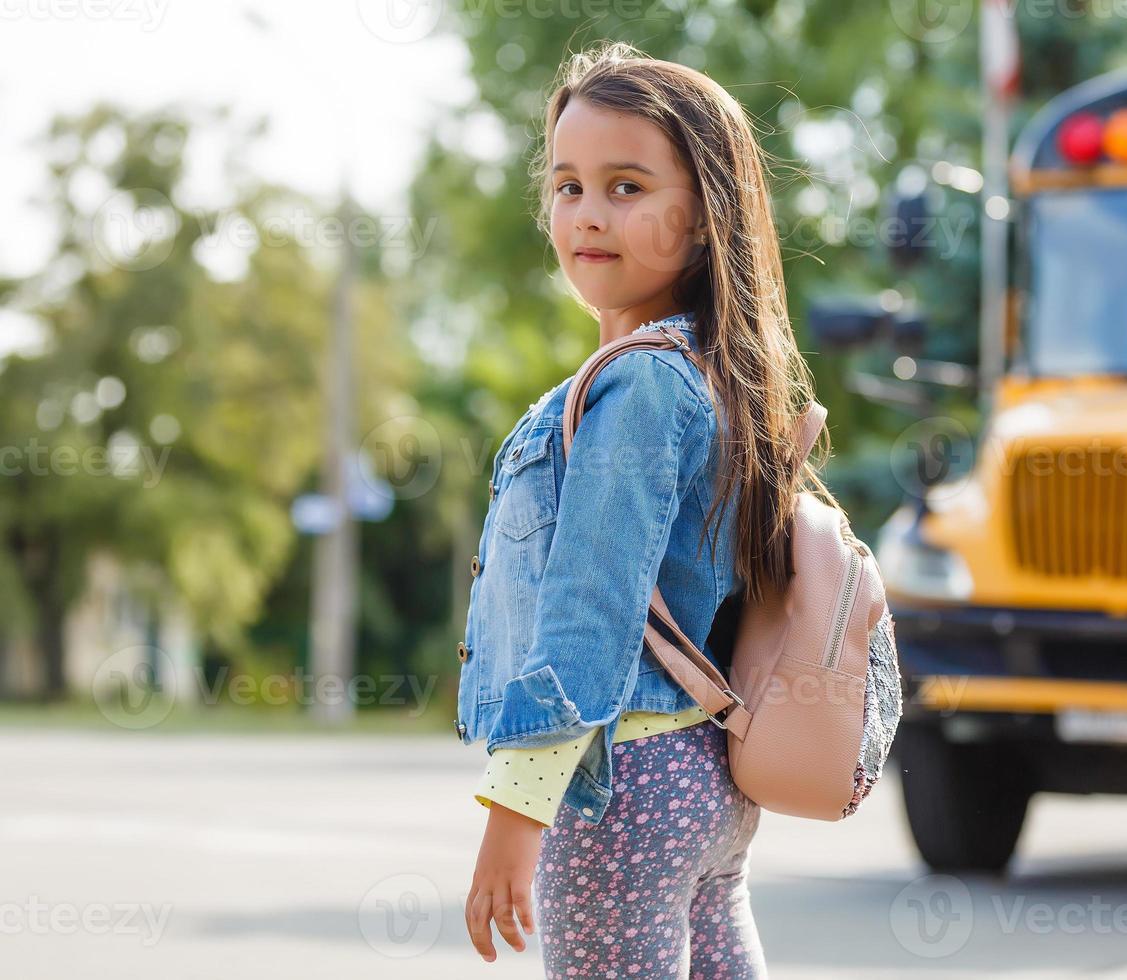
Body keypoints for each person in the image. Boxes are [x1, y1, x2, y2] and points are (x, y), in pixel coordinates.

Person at [459, 40, 832, 978]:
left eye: (627, 187)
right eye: (568, 185)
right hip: (704, 782)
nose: (587, 214)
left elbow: (589, 613)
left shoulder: (642, 390)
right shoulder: (714, 371)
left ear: (706, 217)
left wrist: (516, 812)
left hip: (619, 786)